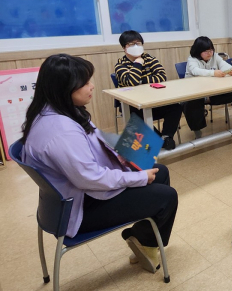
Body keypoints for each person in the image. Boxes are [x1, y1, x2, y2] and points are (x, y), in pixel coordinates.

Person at [21, 54, 178, 274]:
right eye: (84, 83)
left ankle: (143, 238)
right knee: (167, 196)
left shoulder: (58, 110)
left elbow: (94, 142)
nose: (92, 86)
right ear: (64, 88)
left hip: (75, 192)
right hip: (79, 208)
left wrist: (122, 152)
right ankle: (146, 242)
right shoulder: (61, 131)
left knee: (160, 172)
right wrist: (138, 176)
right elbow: (90, 178)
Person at [114, 30, 183, 150]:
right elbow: (131, 82)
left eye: (138, 43)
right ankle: (158, 139)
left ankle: (166, 137)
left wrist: (140, 81)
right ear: (124, 48)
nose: (136, 46)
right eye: (131, 44)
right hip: (132, 105)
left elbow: (162, 76)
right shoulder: (120, 65)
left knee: (176, 107)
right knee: (136, 116)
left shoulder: (149, 59)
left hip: (153, 99)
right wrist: (138, 63)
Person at [183, 36, 232, 138]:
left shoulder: (215, 56)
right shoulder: (192, 59)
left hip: (212, 89)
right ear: (198, 51)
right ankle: (197, 130)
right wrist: (213, 73)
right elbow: (196, 71)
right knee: (191, 102)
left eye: (211, 50)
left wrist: (231, 69)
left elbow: (223, 64)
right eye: (206, 51)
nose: (209, 53)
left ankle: (207, 99)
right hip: (195, 90)